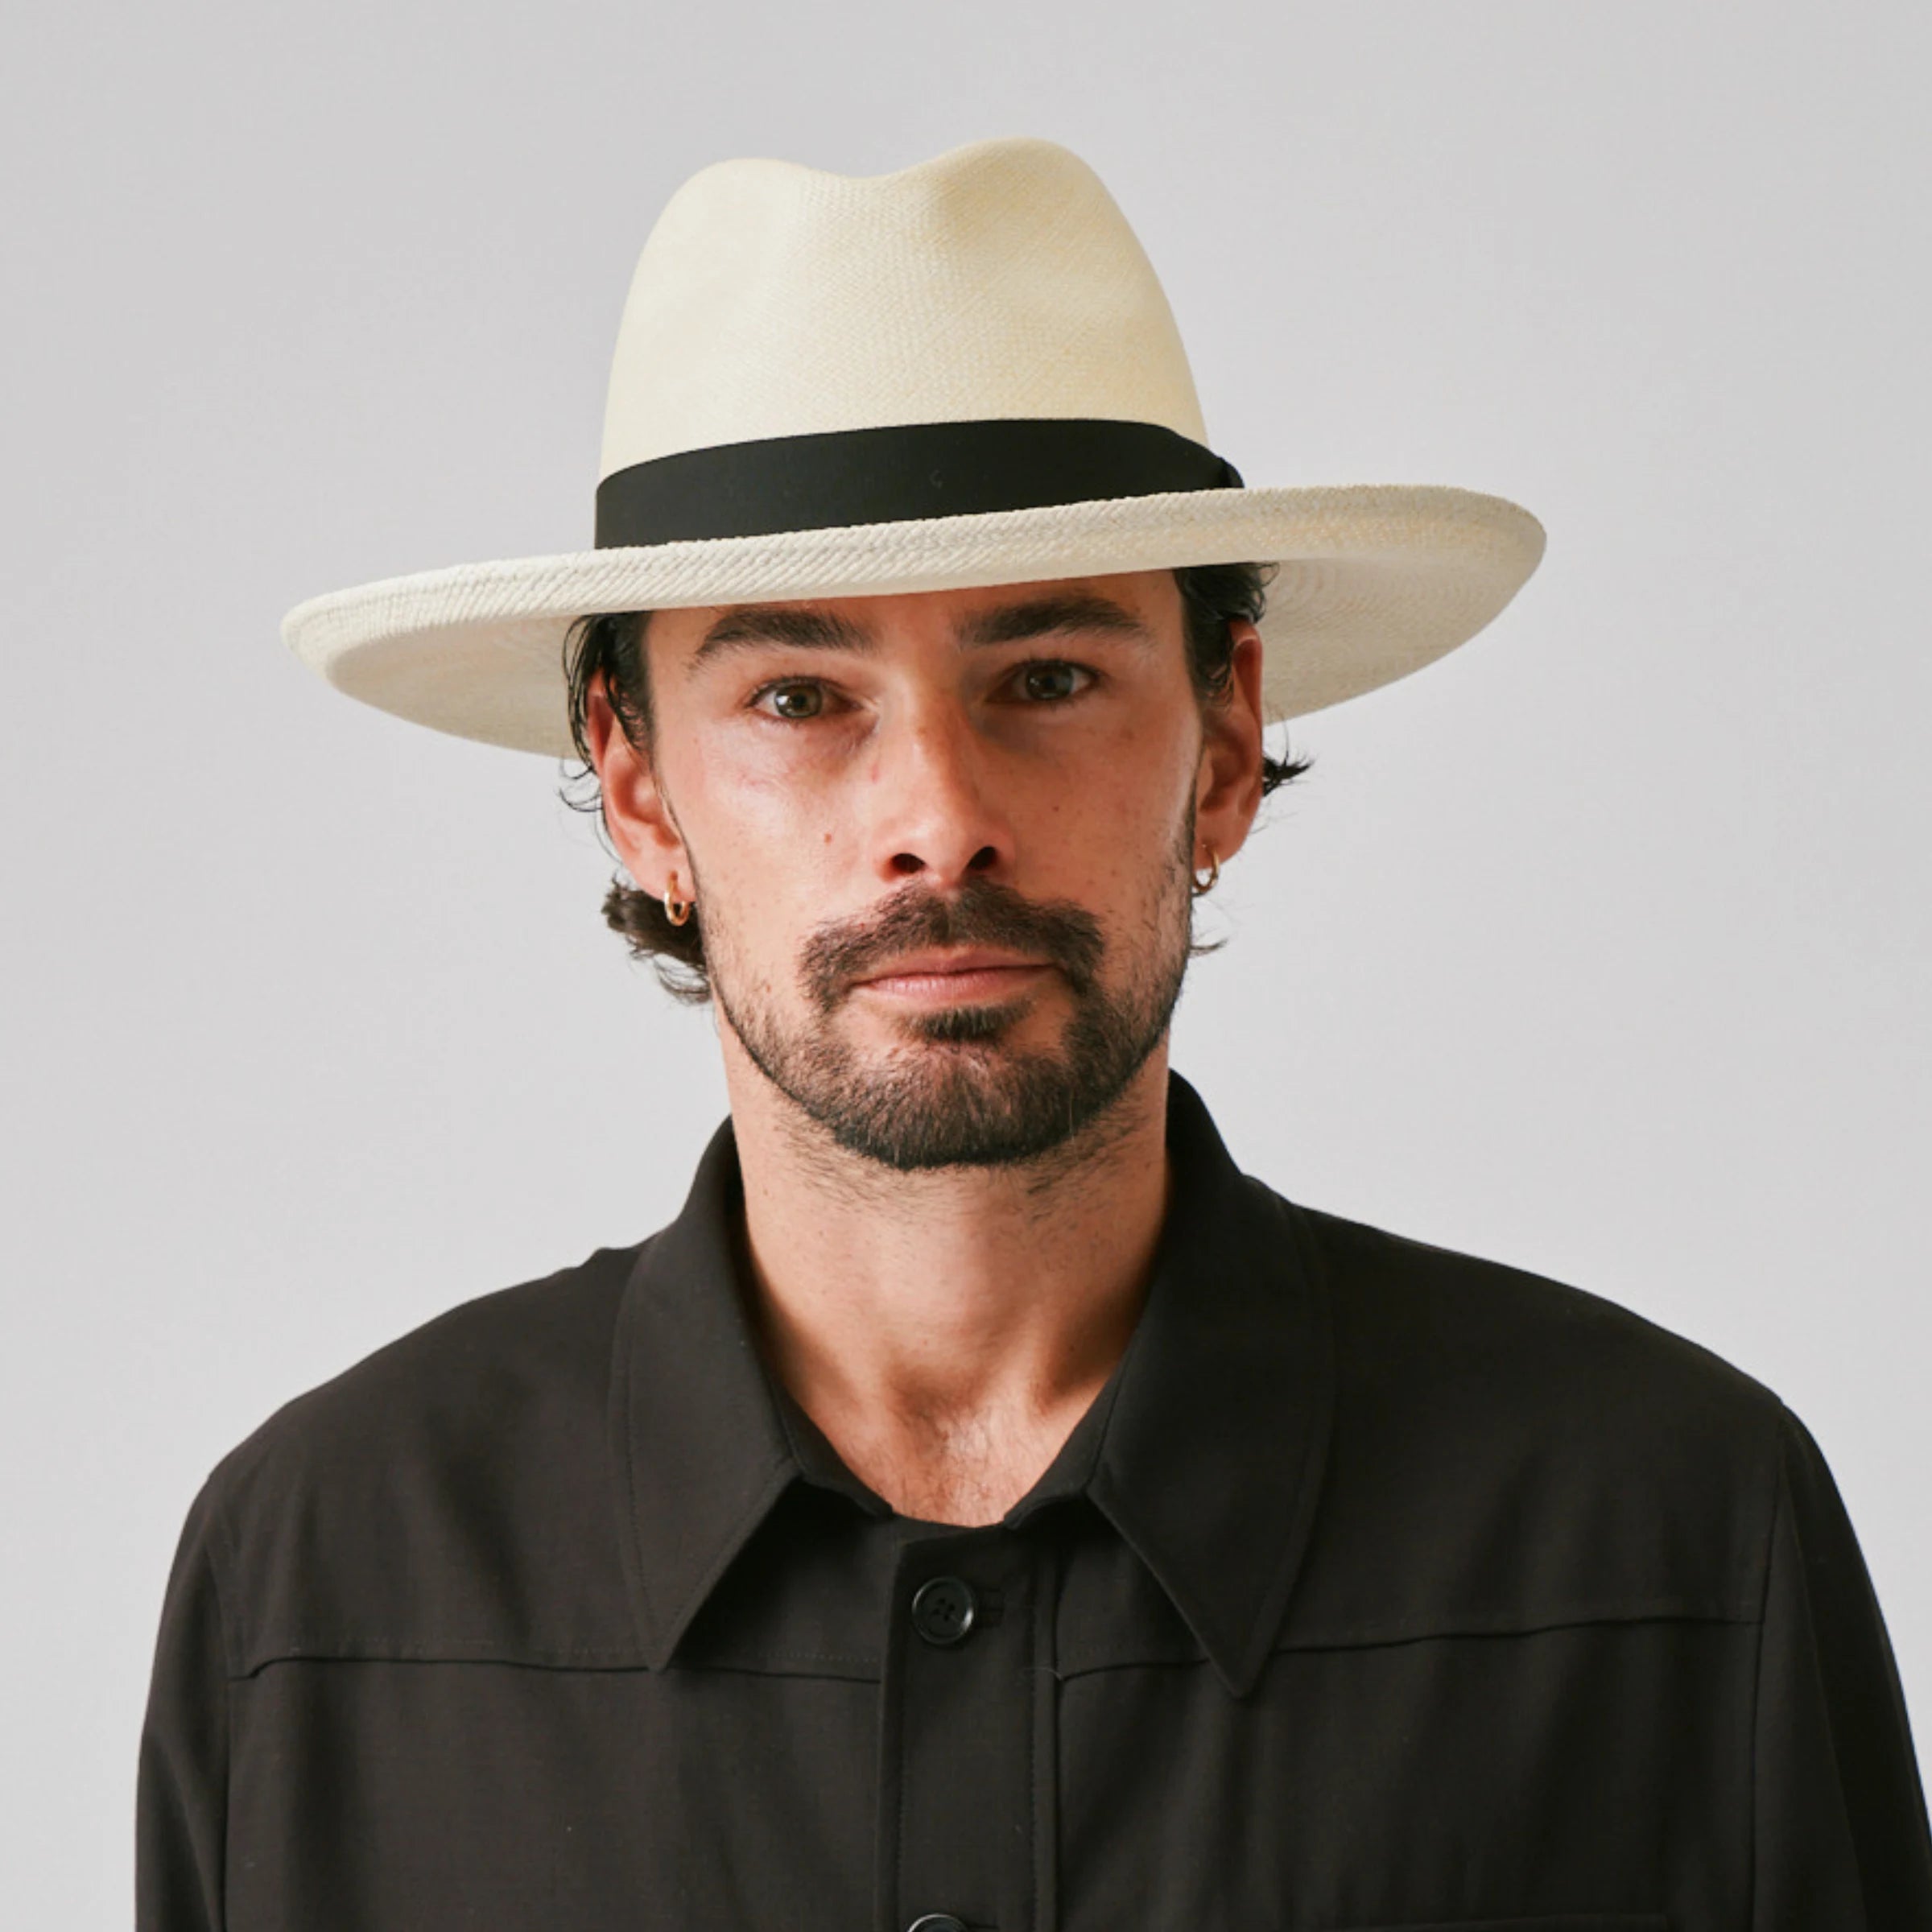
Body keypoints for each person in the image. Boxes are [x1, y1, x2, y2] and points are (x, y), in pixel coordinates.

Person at [138, 136, 1932, 1931]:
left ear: (1223, 743)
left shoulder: (1670, 1546)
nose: (939, 814)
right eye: (795, 697)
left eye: (1050, 679)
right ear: (637, 792)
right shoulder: (320, 1595)